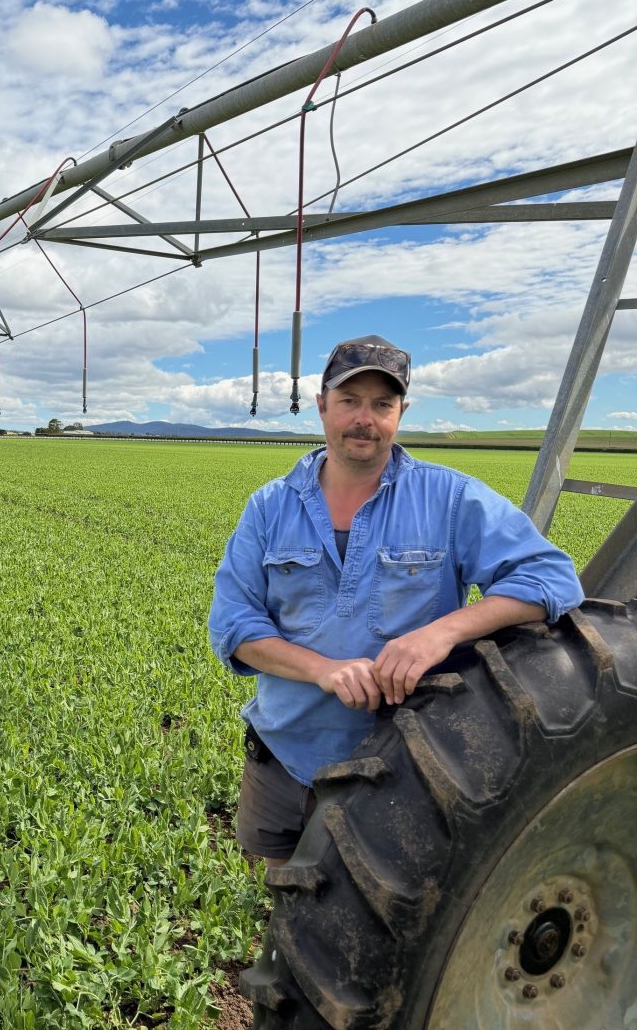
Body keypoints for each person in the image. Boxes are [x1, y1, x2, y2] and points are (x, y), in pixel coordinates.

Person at [208, 334, 585, 867]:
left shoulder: (449, 498)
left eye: (382, 404)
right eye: (349, 401)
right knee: (282, 894)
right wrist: (323, 670)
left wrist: (443, 632)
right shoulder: (270, 507)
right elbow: (234, 626)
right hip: (286, 754)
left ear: (401, 412)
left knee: (390, 920)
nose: (365, 418)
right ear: (321, 406)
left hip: (407, 765)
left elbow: (550, 575)